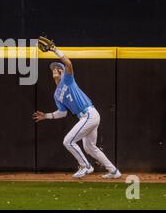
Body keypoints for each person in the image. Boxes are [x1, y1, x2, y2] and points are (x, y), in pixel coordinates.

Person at [32, 44, 121, 179]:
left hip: (89, 114)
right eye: (53, 69)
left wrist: (55, 50)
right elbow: (62, 113)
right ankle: (114, 171)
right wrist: (46, 116)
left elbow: (68, 63)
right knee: (90, 148)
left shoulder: (67, 80)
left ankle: (86, 166)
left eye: (57, 68)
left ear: (62, 71)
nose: (54, 70)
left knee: (68, 141)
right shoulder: (56, 94)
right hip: (86, 117)